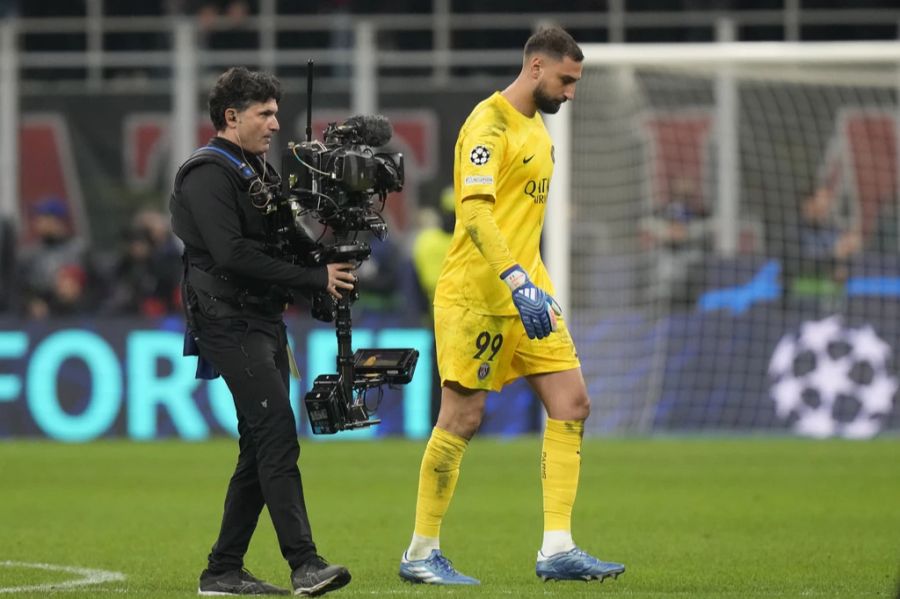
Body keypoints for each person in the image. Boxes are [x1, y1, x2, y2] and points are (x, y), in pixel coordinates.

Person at [398, 27, 626, 586]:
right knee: (462, 417)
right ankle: (420, 554)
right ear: (536, 67)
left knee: (572, 403)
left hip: (530, 294)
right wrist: (516, 279)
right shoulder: (487, 124)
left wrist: (532, 285)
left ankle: (557, 548)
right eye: (566, 80)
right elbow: (475, 216)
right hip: (480, 297)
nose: (571, 92)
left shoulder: (537, 126)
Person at [169, 66, 355, 597]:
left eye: (276, 112)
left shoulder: (256, 170)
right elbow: (232, 253)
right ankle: (305, 564)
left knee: (258, 443)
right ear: (232, 117)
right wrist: (311, 276)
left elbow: (283, 242)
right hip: (227, 320)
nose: (276, 123)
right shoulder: (208, 172)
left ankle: (222, 570)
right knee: (276, 435)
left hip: (260, 320)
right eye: (265, 113)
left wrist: (326, 252)